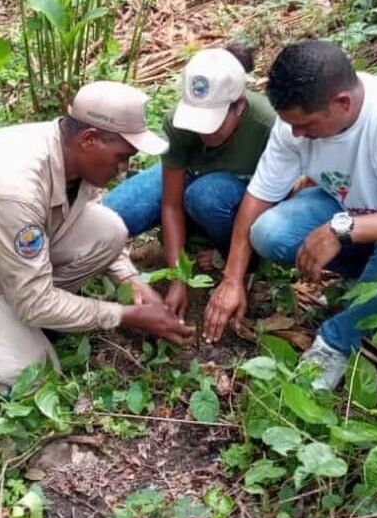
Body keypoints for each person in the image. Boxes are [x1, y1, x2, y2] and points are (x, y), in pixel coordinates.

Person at [202, 40, 377, 389]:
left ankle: (336, 343)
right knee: (269, 231)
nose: (296, 134)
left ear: (342, 103)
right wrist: (232, 279)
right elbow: (259, 197)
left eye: (306, 125)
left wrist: (343, 229)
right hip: (356, 214)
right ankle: (372, 281)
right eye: (290, 124)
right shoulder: (296, 123)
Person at [0, 81, 195, 386]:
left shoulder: (70, 151)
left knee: (110, 231)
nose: (124, 168)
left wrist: (131, 280)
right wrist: (124, 315)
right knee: (32, 376)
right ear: (89, 139)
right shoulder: (15, 189)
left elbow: (86, 216)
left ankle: (8, 321)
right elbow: (34, 303)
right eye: (121, 156)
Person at [102, 46, 276, 318]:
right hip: (190, 180)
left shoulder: (268, 125)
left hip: (236, 197)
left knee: (206, 196)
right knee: (109, 217)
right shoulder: (179, 123)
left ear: (239, 105)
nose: (203, 133)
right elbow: (171, 204)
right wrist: (178, 277)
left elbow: (275, 200)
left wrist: (231, 268)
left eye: (214, 123)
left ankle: (230, 257)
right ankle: (191, 246)